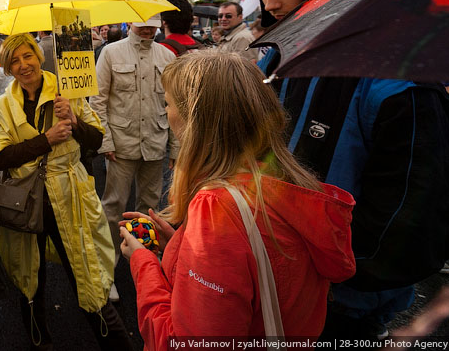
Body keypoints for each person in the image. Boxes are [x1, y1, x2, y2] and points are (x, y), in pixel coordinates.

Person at [253, 0, 449, 340]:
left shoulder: (397, 79)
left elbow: (411, 208)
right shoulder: (277, 58)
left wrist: (345, 272)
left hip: (346, 298)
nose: (270, 3)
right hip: (283, 275)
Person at [121, 51, 356, 347]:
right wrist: (178, 246)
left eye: (167, 103)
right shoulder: (289, 188)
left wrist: (144, 262)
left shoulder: (216, 212)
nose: (165, 113)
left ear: (193, 119)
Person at [0, 33, 133, 351]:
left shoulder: (69, 93)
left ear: (39, 57)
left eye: (28, 56)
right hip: (25, 203)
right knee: (30, 278)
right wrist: (46, 140)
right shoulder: (3, 107)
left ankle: (117, 344)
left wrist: (74, 120)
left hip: (70, 198)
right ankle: (41, 342)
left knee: (85, 273)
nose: (24, 65)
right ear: (8, 68)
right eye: (15, 60)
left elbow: (95, 140)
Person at [90, 15, 177, 302]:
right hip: (121, 144)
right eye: (142, 24)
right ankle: (107, 271)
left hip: (155, 141)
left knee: (150, 209)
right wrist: (105, 142)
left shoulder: (166, 55)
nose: (148, 30)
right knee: (113, 207)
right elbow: (98, 100)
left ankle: (145, 268)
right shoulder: (111, 52)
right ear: (129, 22)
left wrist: (175, 149)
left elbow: (175, 103)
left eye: (153, 25)